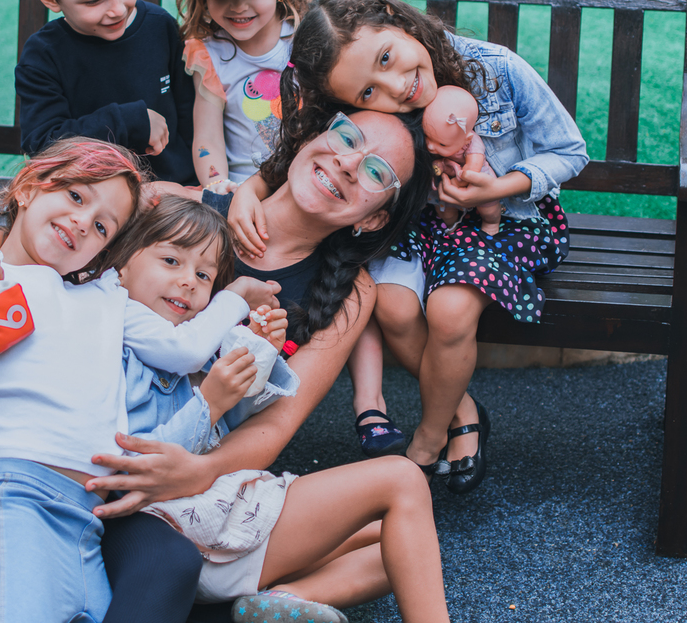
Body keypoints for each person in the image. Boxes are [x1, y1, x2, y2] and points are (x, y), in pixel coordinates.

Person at [0, 110, 432, 623]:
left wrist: (209, 448)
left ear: (375, 217)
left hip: (196, 467)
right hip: (87, 477)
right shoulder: (164, 209)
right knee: (167, 561)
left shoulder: (348, 291)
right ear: (311, 135)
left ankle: (276, 603)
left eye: (376, 172)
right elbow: (52, 234)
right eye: (347, 137)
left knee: (393, 535)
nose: (348, 163)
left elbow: (273, 422)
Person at [0, 137, 278, 623]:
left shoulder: (105, 293)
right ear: (31, 187)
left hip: (90, 517)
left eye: (102, 226)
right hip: (16, 496)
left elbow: (183, 350)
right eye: (75, 196)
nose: (82, 221)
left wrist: (238, 293)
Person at [231, 0, 588, 494]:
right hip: (425, 226)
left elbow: (570, 151)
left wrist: (499, 187)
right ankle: (462, 405)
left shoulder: (495, 69)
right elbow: (308, 143)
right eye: (369, 95)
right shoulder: (367, 100)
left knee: (448, 311)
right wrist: (251, 187)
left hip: (508, 220)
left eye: (385, 59)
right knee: (392, 305)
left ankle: (430, 432)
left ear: (394, 18)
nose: (396, 88)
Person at [105, 197, 449, 623]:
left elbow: (233, 423)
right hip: (181, 527)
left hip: (225, 510)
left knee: (396, 542)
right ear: (120, 268)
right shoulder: (116, 344)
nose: (188, 282)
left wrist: (259, 351)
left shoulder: (200, 342)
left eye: (203, 274)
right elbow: (131, 461)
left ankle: (278, 601)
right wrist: (210, 403)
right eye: (171, 260)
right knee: (401, 480)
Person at [16, 0, 197, 184]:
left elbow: (190, 114)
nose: (117, 10)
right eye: (94, 0)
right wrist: (130, 122)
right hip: (90, 201)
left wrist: (196, 185)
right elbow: (43, 145)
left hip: (171, 195)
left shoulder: (159, 27)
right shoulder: (44, 55)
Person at [176, 0, 319, 192]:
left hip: (306, 184)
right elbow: (208, 137)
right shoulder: (208, 53)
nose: (238, 7)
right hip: (240, 190)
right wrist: (217, 185)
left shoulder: (307, 37)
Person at [421, 84, 502, 237]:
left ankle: (491, 223)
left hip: (476, 183)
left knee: (489, 208)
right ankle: (451, 225)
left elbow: (472, 169)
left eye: (441, 144)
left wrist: (458, 183)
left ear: (467, 139)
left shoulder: (472, 144)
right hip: (447, 180)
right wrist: (437, 166)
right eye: (428, 137)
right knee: (444, 208)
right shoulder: (440, 141)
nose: (431, 146)